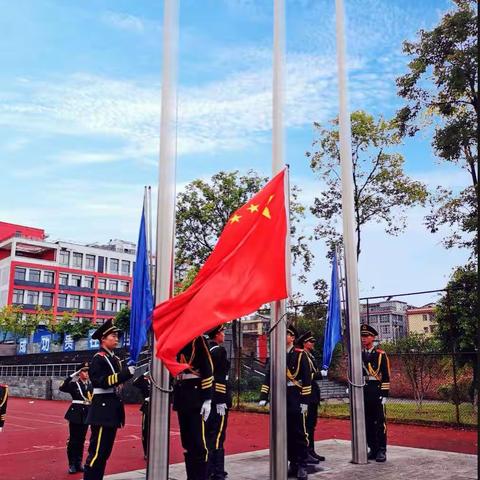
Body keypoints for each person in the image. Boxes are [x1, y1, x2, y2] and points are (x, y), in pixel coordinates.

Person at [83, 319, 135, 480]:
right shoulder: (98, 358)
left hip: (111, 410)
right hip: (102, 410)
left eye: (117, 336)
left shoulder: (114, 358)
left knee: (104, 452)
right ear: (103, 339)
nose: (117, 338)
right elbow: (101, 381)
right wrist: (125, 373)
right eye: (113, 336)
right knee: (97, 452)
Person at [259, 325, 312, 480]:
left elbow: (307, 379)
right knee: (285, 432)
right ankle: (293, 463)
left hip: (296, 395)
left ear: (292, 338)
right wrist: (263, 395)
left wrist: (305, 401)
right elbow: (268, 375)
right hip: (280, 395)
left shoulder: (300, 354)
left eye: (287, 334)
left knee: (299, 432)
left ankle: (302, 465)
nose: (284, 337)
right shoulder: (276, 354)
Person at [173, 335, 214, 480]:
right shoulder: (177, 340)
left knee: (199, 444)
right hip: (182, 396)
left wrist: (207, 398)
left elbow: (208, 368)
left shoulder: (198, 340)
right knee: (187, 443)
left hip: (197, 397)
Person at [360, 323, 391, 462]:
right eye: (362, 336)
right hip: (364, 391)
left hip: (377, 391)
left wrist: (384, 394)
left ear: (373, 338)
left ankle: (381, 450)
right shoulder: (359, 354)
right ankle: (372, 448)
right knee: (367, 422)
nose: (363, 338)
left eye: (366, 336)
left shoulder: (380, 354)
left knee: (379, 423)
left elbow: (386, 375)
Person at [205, 325, 231, 480]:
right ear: (216, 335)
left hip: (208, 398)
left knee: (209, 434)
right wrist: (221, 399)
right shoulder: (219, 351)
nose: (224, 334)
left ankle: (210, 468)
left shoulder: (207, 351)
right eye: (222, 332)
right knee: (218, 435)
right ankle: (217, 471)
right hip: (218, 399)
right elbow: (220, 377)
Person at [296, 331, 325, 462]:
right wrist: (319, 374)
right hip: (306, 392)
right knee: (306, 425)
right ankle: (305, 451)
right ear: (304, 343)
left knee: (311, 424)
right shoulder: (302, 356)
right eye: (310, 342)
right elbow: (304, 376)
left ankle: (311, 450)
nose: (313, 343)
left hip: (313, 393)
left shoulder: (310, 356)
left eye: (313, 341)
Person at [59, 361, 93, 474]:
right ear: (79, 372)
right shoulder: (74, 384)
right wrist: (72, 375)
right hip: (75, 413)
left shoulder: (90, 384)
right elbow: (62, 387)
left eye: (88, 371)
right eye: (84, 371)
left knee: (81, 440)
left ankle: (79, 463)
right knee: (74, 440)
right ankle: (72, 464)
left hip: (86, 413)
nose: (86, 373)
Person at [132, 371, 151, 460]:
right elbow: (135, 383)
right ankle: (146, 452)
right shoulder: (144, 381)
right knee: (146, 430)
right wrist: (145, 374)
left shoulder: (160, 381)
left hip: (158, 406)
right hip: (147, 406)